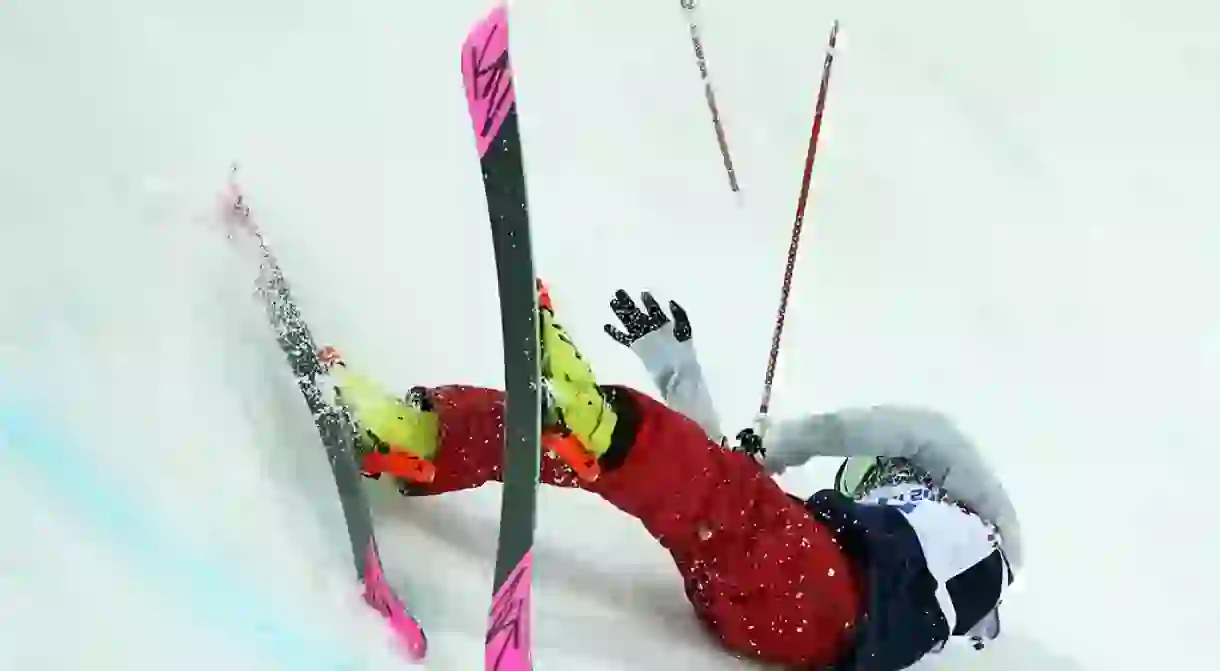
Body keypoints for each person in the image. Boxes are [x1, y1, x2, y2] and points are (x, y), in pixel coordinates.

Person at [327, 285, 1021, 670]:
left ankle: (600, 424)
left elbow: (918, 432)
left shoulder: (981, 544)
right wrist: (677, 369)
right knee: (629, 470)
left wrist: (785, 442)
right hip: (759, 609)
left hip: (820, 613)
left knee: (714, 493)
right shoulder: (861, 550)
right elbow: (714, 484)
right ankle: (425, 440)